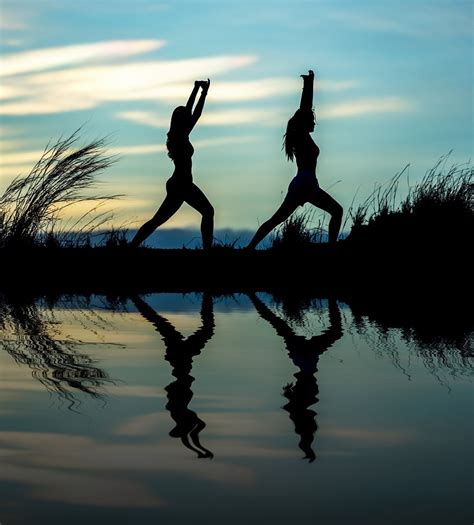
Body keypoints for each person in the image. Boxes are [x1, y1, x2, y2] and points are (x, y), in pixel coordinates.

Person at [247, 70, 343, 249]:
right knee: (337, 211)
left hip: (303, 183)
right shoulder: (301, 136)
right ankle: (332, 247)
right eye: (312, 120)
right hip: (305, 183)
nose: (315, 122)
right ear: (305, 122)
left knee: (276, 219)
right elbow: (305, 108)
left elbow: (305, 109)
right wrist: (309, 84)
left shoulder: (302, 135)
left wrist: (309, 83)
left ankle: (249, 247)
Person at [248, 293, 343, 462]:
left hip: (305, 357)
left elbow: (298, 411)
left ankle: (331, 298)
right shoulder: (301, 408)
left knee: (279, 324)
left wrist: (307, 445)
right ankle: (253, 297)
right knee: (278, 324)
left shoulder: (303, 407)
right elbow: (294, 406)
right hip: (303, 357)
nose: (314, 418)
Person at [131, 80, 214, 248]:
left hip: (180, 183)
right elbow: (195, 113)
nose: (188, 117)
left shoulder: (179, 134)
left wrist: (196, 88)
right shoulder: (180, 137)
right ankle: (208, 250)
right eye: (185, 117)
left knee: (158, 220)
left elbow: (188, 111)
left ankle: (131, 246)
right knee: (207, 211)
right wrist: (203, 93)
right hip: (181, 184)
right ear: (180, 121)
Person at [131, 293, 215, 458]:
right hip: (181, 359)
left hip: (180, 358)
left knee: (162, 324)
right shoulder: (184, 417)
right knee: (162, 324)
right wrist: (200, 450)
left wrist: (200, 450)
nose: (184, 432)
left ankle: (135, 298)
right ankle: (207, 295)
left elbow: (192, 434)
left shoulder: (179, 413)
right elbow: (193, 434)